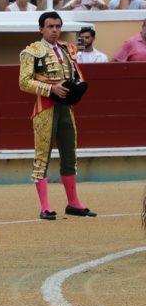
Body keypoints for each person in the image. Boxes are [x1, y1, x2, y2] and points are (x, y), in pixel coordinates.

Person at [18, 12, 95, 219]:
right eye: (50, 26)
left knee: (70, 155)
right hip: (45, 108)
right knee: (42, 156)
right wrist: (50, 89)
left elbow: (76, 76)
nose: (54, 30)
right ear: (41, 29)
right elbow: (24, 82)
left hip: (65, 109)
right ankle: (45, 207)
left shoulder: (66, 50)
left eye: (58, 26)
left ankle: (73, 203)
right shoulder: (31, 51)